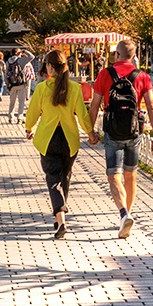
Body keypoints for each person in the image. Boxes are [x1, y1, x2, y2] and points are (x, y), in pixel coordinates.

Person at [88, 39, 153, 238]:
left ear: (117, 55)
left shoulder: (105, 74)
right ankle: (127, 215)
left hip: (112, 132)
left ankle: (123, 215)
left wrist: (91, 131)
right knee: (130, 175)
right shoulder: (142, 76)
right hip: (134, 131)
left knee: (113, 175)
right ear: (134, 56)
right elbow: (152, 108)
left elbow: (94, 105)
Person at [23, 48, 93, 239]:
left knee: (53, 180)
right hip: (69, 140)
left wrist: (29, 128)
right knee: (65, 177)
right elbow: (82, 114)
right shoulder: (75, 88)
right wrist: (91, 133)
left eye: (46, 64)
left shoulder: (42, 88)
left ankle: (60, 218)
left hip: (48, 140)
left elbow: (33, 113)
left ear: (51, 67)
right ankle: (59, 214)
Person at [4, 47, 36, 124]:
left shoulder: (8, 62)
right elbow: (32, 56)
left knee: (12, 102)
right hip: (21, 84)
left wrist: (7, 84)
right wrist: (24, 51)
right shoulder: (21, 61)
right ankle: (20, 117)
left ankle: (11, 117)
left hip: (12, 85)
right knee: (21, 101)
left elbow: (6, 74)